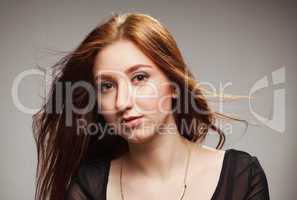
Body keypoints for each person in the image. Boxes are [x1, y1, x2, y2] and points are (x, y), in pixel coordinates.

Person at [32, 12, 270, 200]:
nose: (122, 102)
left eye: (140, 78)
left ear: (174, 84)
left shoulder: (242, 176)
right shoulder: (88, 187)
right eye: (106, 86)